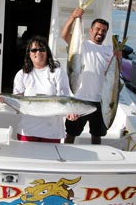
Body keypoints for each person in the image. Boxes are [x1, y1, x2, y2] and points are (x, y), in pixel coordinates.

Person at [61, 8, 122, 144]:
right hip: (79, 98)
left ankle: (97, 161)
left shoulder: (109, 50)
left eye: (104, 30)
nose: (100, 32)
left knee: (97, 135)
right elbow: (64, 35)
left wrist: (119, 59)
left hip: (101, 101)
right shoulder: (81, 45)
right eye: (98, 29)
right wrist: (73, 17)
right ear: (91, 30)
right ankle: (65, 158)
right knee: (71, 133)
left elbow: (115, 74)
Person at [10, 36, 77, 143]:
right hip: (28, 130)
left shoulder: (58, 72)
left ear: (47, 52)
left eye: (42, 49)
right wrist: (2, 98)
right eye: (34, 50)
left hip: (52, 132)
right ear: (29, 53)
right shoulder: (21, 74)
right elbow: (17, 101)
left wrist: (71, 112)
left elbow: (65, 98)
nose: (38, 52)